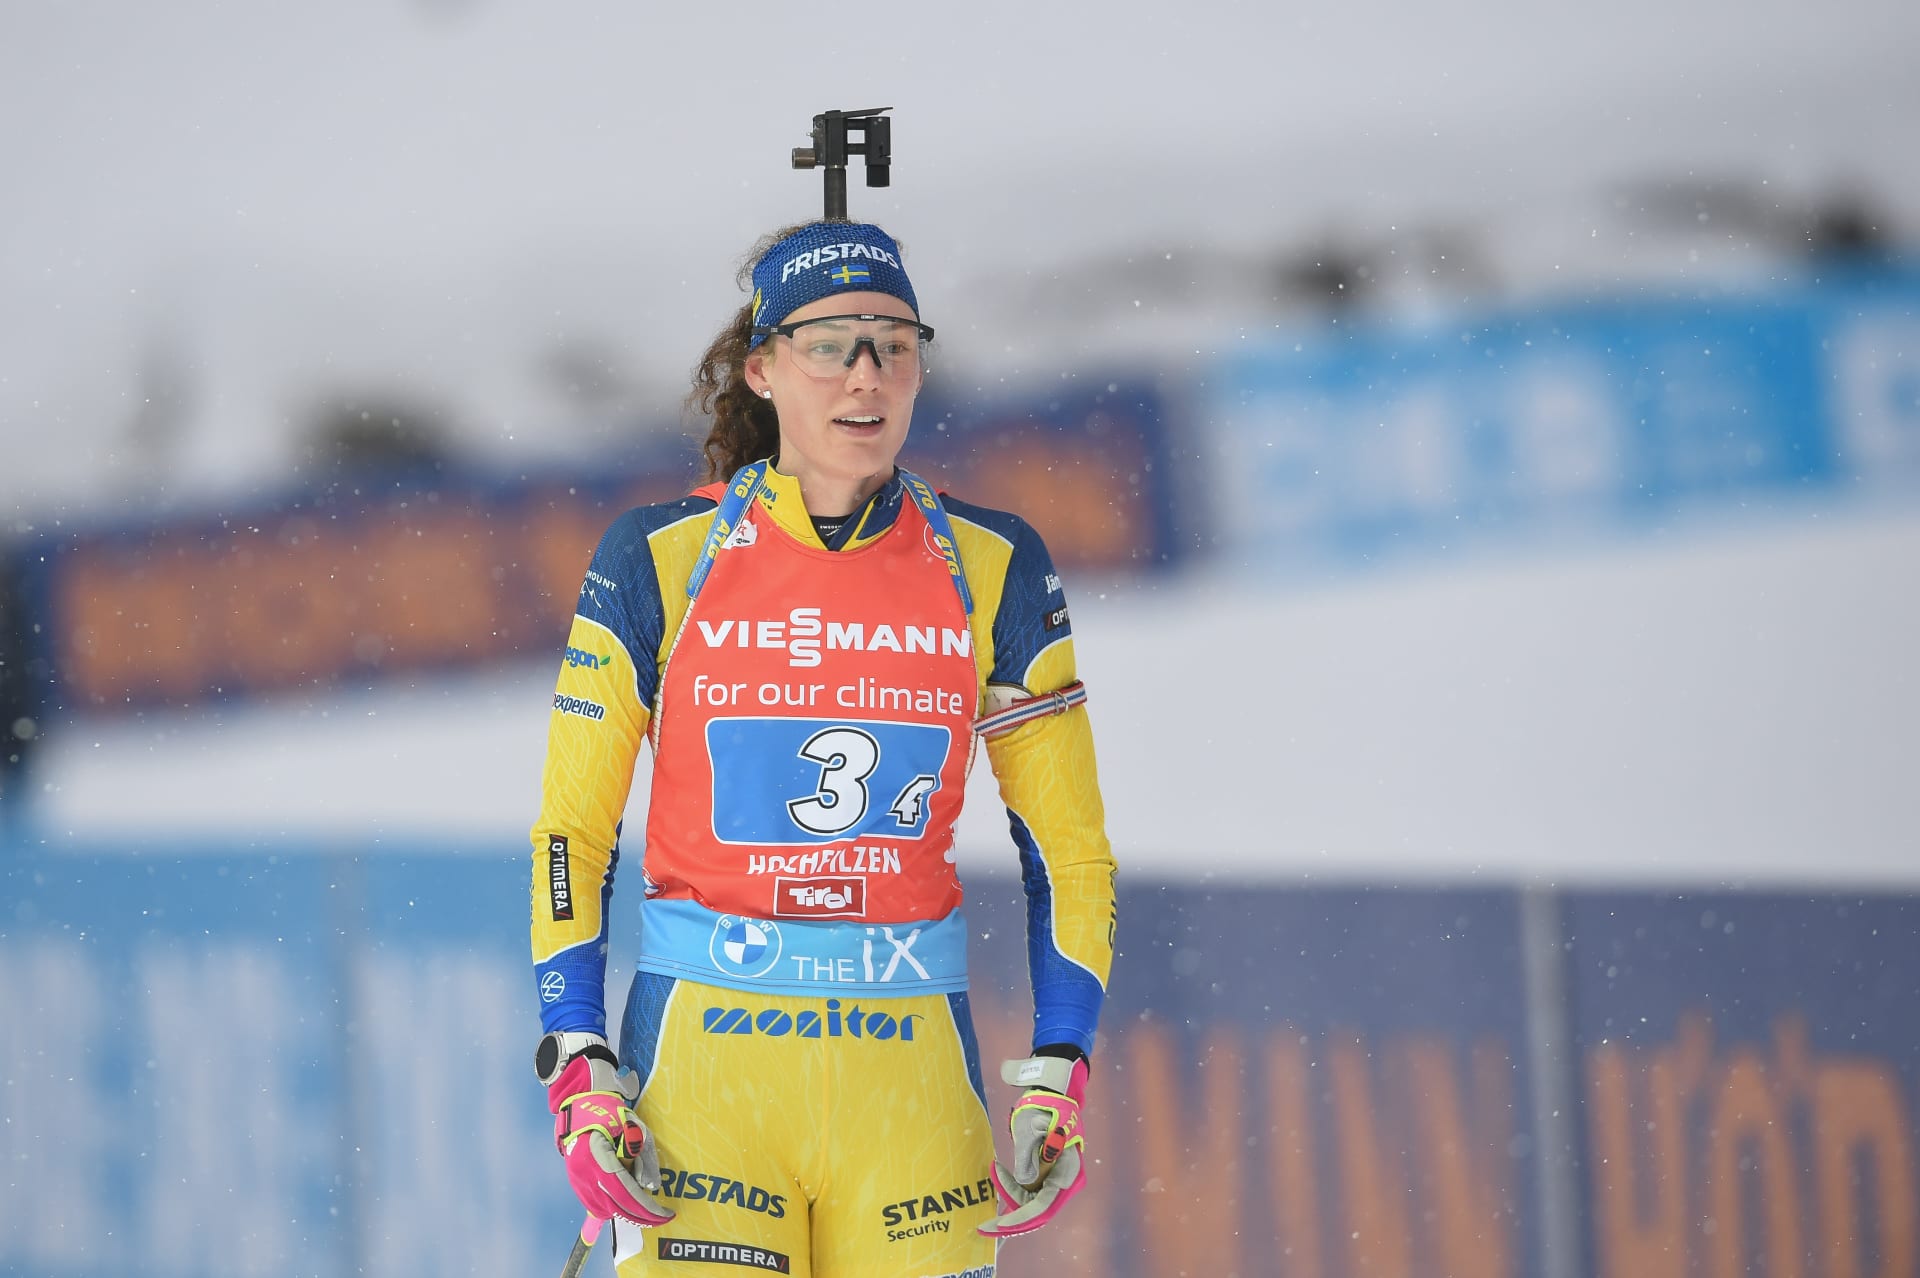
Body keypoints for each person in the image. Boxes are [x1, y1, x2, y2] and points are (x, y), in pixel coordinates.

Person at [528, 219, 1117, 1277]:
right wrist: (578, 1057)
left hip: (909, 1089)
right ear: (761, 369)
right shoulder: (660, 554)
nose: (867, 374)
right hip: (703, 1080)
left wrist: (1061, 1064)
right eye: (830, 344)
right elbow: (573, 829)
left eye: (894, 343)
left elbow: (1068, 851)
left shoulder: (993, 563)